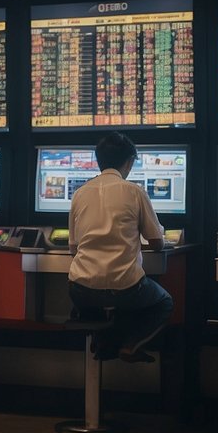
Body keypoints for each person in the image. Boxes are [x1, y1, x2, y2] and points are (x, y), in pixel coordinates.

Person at [68, 132, 171, 362]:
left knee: (106, 304)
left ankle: (105, 342)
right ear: (129, 161)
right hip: (125, 291)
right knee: (163, 302)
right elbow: (156, 243)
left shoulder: (79, 193)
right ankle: (130, 345)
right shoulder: (134, 191)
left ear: (99, 160)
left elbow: (73, 249)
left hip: (80, 291)